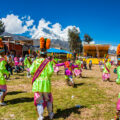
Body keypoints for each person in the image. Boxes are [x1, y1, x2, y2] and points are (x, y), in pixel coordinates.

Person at [29, 37, 54, 120]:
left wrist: (37, 75)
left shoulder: (36, 61)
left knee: (40, 100)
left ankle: (41, 116)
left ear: (39, 53)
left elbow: (31, 70)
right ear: (46, 53)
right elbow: (51, 72)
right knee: (48, 99)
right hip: (46, 83)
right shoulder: (48, 62)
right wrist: (47, 77)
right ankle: (50, 114)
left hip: (38, 84)